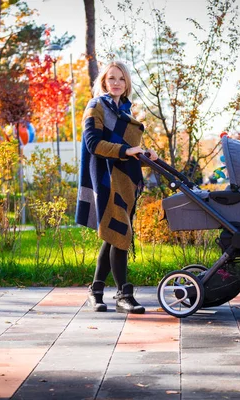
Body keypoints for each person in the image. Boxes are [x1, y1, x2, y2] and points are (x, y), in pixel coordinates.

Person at [75, 61, 157, 314]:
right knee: (120, 235)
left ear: (127, 82)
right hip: (105, 181)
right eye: (112, 78)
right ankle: (124, 294)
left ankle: (96, 291)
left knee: (113, 237)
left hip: (124, 183)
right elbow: (93, 144)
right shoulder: (96, 106)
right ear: (104, 81)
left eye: (121, 78)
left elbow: (127, 150)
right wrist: (126, 150)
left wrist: (145, 155)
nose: (117, 83)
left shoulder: (125, 110)